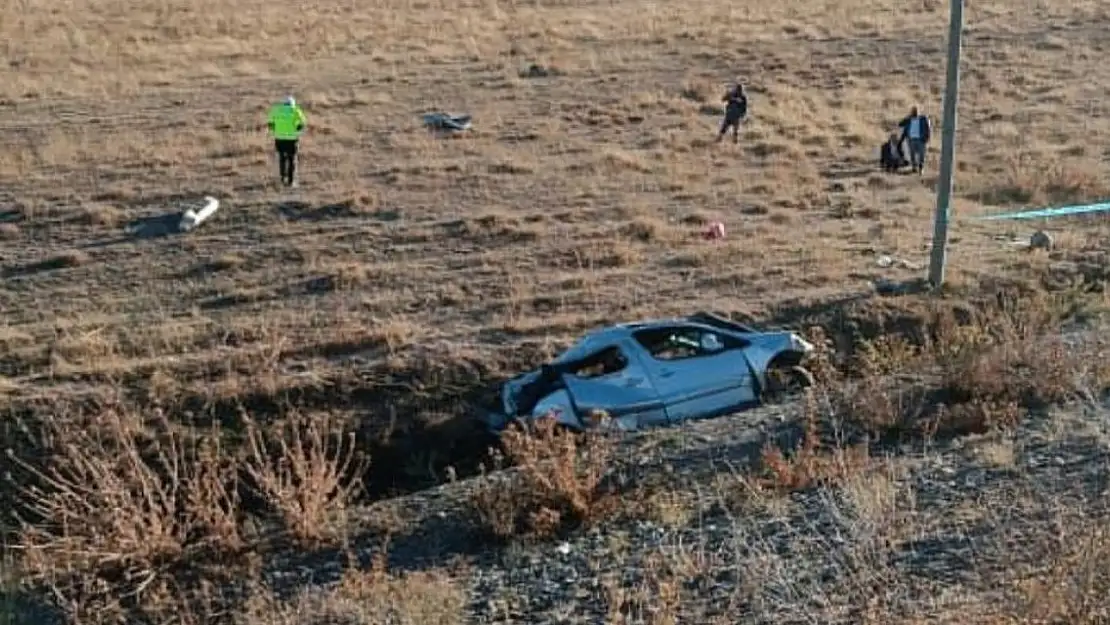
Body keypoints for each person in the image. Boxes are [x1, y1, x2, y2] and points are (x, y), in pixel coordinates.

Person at [267, 95, 307, 187]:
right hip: (292, 139)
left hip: (279, 139)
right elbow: (303, 122)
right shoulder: (295, 110)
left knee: (282, 158)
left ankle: (282, 178)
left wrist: (273, 132)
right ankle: (291, 181)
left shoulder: (276, 110)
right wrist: (298, 130)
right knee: (292, 159)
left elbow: (270, 123)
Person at [897, 106, 931, 175]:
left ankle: (921, 168)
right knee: (912, 154)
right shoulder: (909, 119)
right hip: (911, 139)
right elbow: (900, 124)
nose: (915, 112)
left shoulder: (923, 118)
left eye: (916, 111)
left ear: (919, 111)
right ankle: (914, 167)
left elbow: (928, 129)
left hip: (921, 139)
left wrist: (927, 138)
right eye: (913, 111)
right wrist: (907, 117)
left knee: (922, 154)